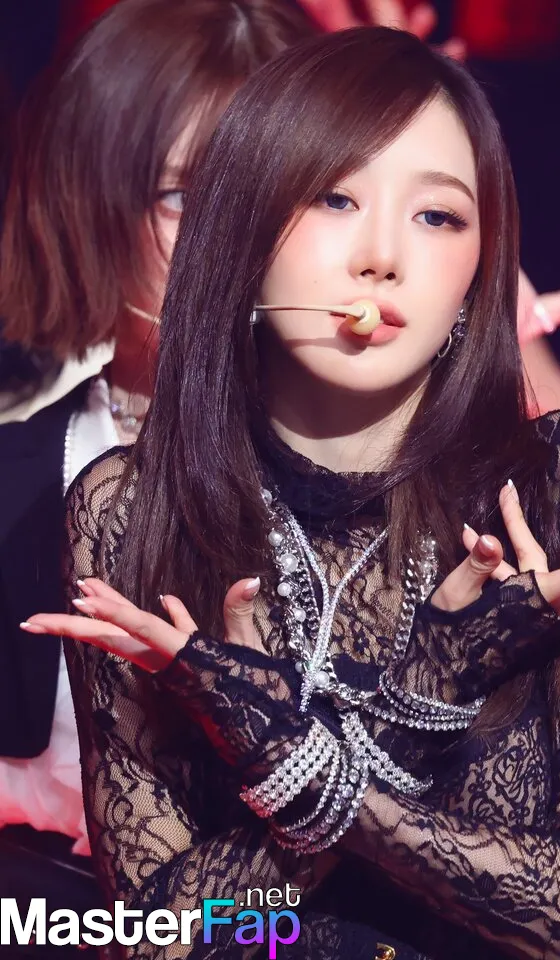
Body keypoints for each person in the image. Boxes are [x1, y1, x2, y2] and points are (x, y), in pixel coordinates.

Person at [24, 26, 560, 959]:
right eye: (334, 197)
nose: (382, 256)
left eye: (438, 217)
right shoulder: (129, 507)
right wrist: (416, 703)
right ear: (244, 227)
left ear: (480, 268)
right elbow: (154, 939)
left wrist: (313, 760)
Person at [0, 0, 314, 949]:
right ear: (91, 203)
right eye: (186, 198)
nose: (237, 242)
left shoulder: (409, 485)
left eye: (284, 196)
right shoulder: (23, 480)